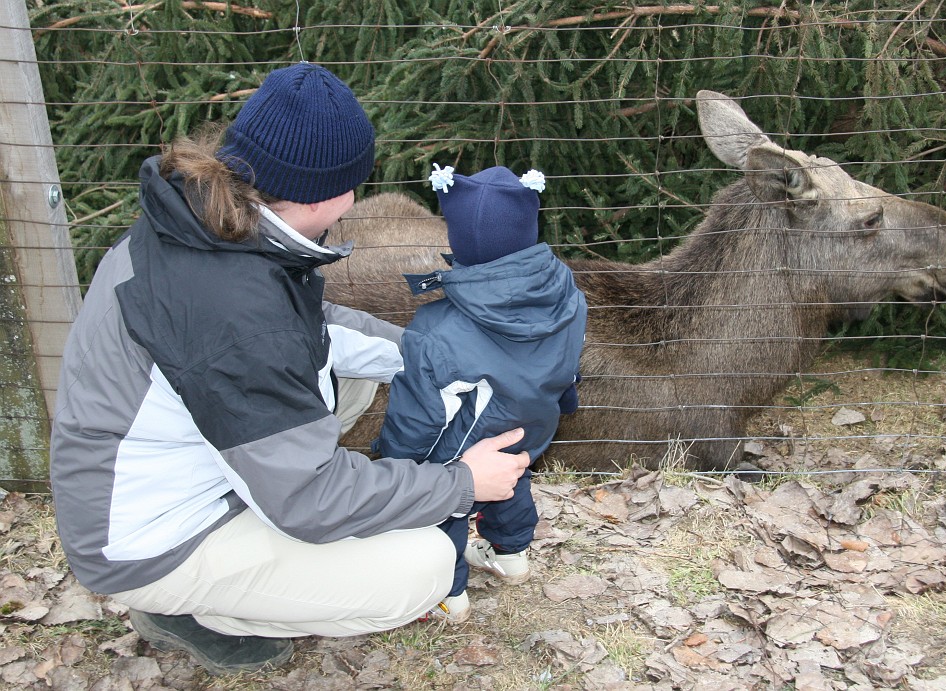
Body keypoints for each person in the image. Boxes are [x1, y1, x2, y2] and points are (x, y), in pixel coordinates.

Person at [48, 62, 530, 676]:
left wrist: (435, 356)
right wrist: (463, 484)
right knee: (424, 565)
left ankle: (243, 553)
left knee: (352, 379)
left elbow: (314, 326)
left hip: (175, 470)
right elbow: (308, 498)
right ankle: (191, 607)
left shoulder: (208, 221)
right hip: (151, 543)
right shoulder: (233, 312)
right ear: (329, 194)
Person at [373, 164, 587, 622]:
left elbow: (422, 416)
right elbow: (568, 361)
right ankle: (510, 555)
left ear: (458, 242)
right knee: (512, 475)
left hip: (468, 440)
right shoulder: (568, 293)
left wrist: (399, 462)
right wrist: (562, 402)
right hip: (533, 423)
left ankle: (447, 593)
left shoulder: (438, 328)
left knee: (445, 497)